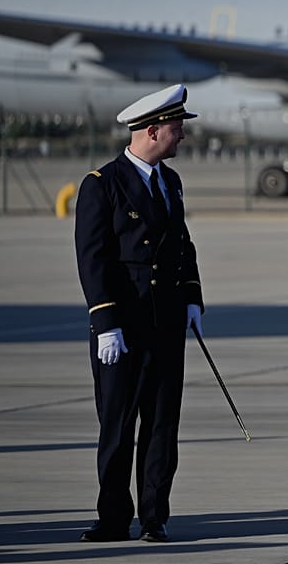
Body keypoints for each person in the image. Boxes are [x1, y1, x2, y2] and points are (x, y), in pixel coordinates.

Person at [75, 84, 202, 543]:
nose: (182, 137)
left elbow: (182, 246)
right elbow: (93, 259)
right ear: (152, 131)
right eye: (176, 129)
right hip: (123, 327)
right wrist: (105, 322)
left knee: (162, 425)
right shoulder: (101, 184)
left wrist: (191, 297)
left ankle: (154, 516)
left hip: (165, 323)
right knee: (118, 425)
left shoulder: (170, 181)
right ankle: (112, 517)